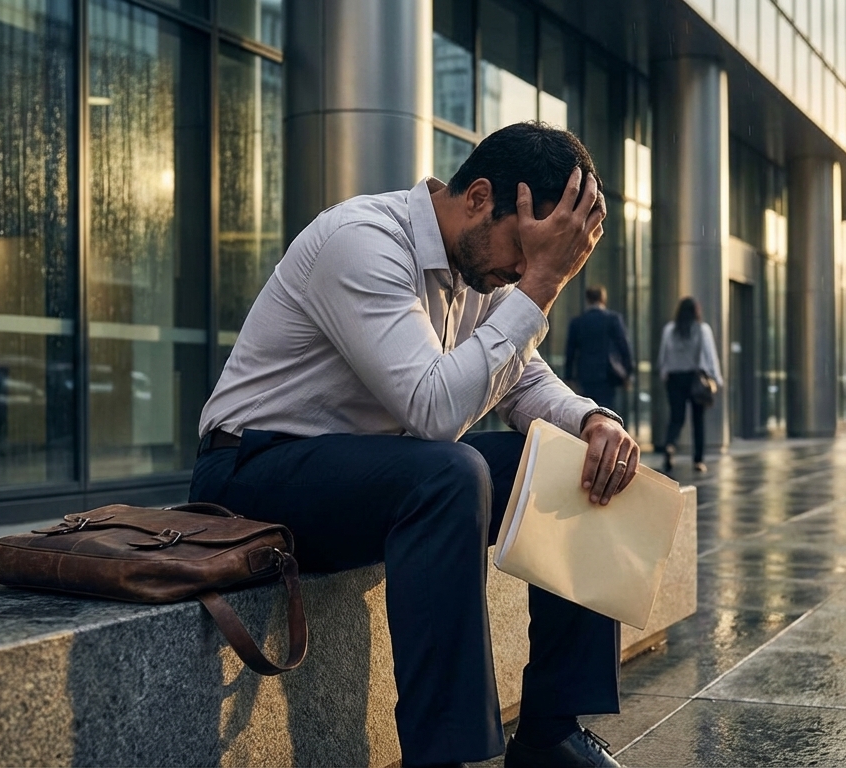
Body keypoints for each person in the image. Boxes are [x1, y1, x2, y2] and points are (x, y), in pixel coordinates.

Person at [189, 122, 637, 768]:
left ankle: (550, 735)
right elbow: (432, 412)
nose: (522, 272)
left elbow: (521, 380)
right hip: (250, 470)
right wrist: (541, 286)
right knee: (448, 473)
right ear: (479, 197)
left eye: (540, 263)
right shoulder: (364, 243)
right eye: (524, 251)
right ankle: (444, 756)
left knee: (570, 463)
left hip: (366, 477)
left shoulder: (478, 272)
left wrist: (593, 422)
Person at [657, 296, 723, 473]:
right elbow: (710, 356)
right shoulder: (702, 329)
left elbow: (663, 354)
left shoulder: (670, 330)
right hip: (695, 378)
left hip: (674, 378)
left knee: (676, 417)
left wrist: (664, 372)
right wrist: (717, 378)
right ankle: (698, 460)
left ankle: (670, 445)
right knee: (697, 420)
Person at [564, 285, 633, 410]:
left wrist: (569, 376)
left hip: (585, 373)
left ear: (587, 300)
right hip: (607, 373)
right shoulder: (612, 319)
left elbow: (570, 351)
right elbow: (623, 345)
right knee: (607, 409)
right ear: (603, 299)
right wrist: (627, 372)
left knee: (588, 409)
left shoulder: (578, 322)